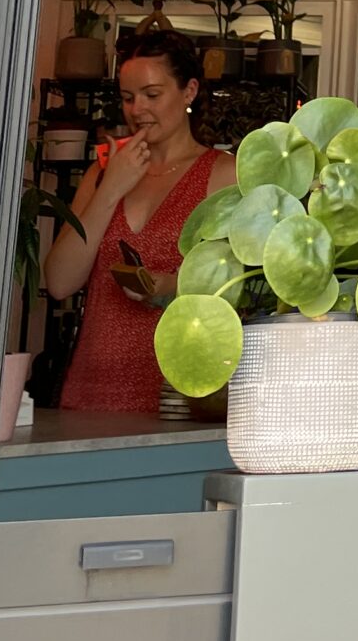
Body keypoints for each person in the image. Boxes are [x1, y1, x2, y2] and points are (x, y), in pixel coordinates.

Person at [48, 31, 236, 413]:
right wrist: (110, 188)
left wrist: (170, 285)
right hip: (92, 388)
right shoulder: (103, 174)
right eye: (128, 97)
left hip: (176, 393)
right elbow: (59, 282)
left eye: (152, 94)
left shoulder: (223, 174)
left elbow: (241, 286)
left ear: (189, 91)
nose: (137, 110)